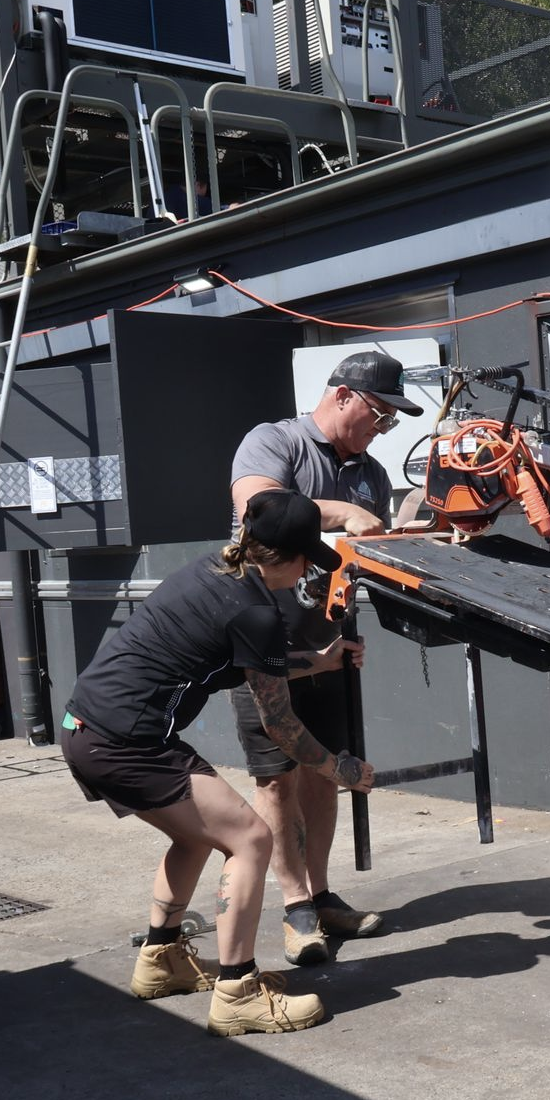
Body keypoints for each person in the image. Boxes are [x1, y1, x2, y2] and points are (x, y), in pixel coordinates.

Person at [61, 489, 375, 1036]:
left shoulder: (216, 571)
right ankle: (239, 992)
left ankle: (162, 961)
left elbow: (258, 669)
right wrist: (340, 769)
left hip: (89, 728)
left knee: (197, 836)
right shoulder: (256, 612)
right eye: (309, 562)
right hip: (127, 741)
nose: (309, 575)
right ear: (291, 558)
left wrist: (317, 660)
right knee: (250, 839)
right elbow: (280, 724)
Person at [229, 350, 421, 966]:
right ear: (342, 396)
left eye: (391, 419)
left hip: (332, 640)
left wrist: (421, 520)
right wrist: (340, 511)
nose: (382, 426)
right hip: (264, 635)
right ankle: (294, 909)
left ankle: (320, 891)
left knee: (327, 769)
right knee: (276, 776)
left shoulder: (371, 471)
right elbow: (257, 510)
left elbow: (377, 548)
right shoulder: (275, 441)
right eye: (379, 412)